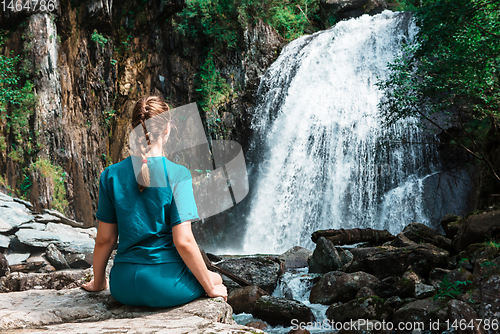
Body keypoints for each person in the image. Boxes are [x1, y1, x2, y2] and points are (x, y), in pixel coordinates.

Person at [81, 96, 227, 307]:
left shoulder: (110, 175)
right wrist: (211, 288)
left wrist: (99, 282)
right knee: (215, 278)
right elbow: (183, 241)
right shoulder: (178, 175)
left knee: (209, 277)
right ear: (167, 128)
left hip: (122, 286)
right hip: (163, 285)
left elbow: (105, 240)